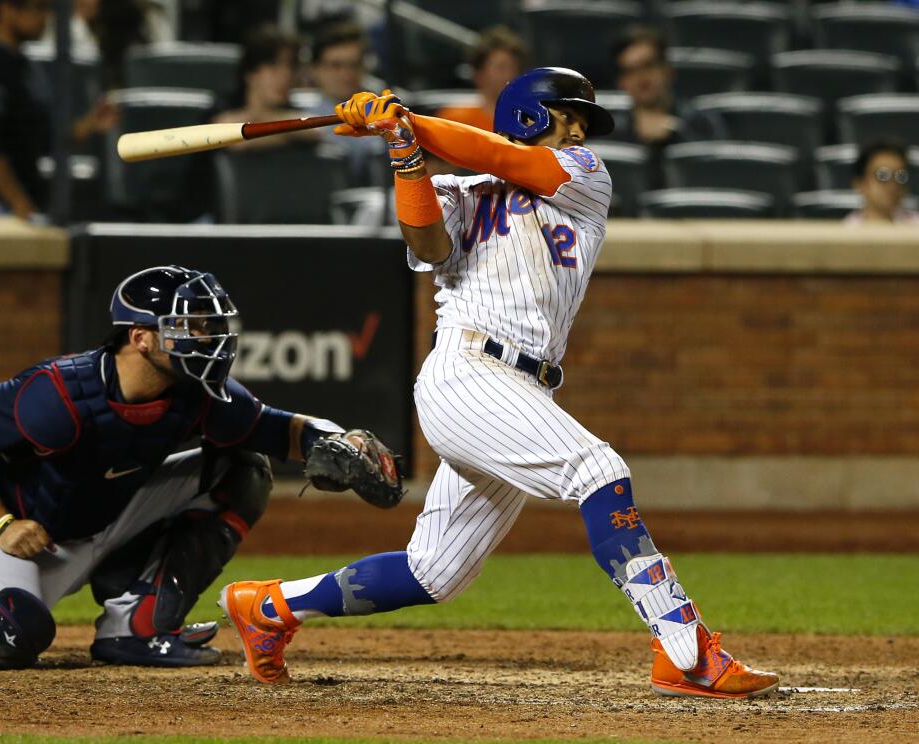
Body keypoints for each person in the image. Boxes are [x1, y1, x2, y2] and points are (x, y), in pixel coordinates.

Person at [219, 67, 781, 700]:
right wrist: (406, 153)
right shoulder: (458, 189)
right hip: (466, 373)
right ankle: (685, 651)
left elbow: (499, 154)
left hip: (522, 390)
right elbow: (428, 246)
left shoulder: (585, 177)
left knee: (435, 572)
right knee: (598, 469)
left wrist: (405, 122)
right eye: (569, 116)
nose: (579, 129)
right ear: (531, 115)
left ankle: (267, 608)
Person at [0, 266, 402, 670]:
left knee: (244, 468)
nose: (209, 339)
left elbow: (282, 430)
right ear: (140, 337)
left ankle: (136, 626)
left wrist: (336, 440)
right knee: (10, 634)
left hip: (109, 515)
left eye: (211, 326)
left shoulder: (198, 390)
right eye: (191, 328)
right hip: (22, 529)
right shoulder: (59, 393)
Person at [0, 0, 116, 220]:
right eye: (37, 8)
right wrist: (20, 203)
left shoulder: (21, 63)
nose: (45, 17)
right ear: (6, 9)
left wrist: (89, 124)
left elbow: (42, 138)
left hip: (13, 208)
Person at [608, 26, 722, 190]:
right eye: (630, 71)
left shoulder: (702, 124)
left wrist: (677, 134)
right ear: (620, 82)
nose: (641, 78)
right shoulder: (613, 132)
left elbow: (715, 179)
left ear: (667, 70)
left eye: (648, 66)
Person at [213, 25, 318, 151]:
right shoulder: (222, 106)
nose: (286, 76)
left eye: (291, 67)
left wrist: (260, 118)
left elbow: (315, 131)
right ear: (250, 73)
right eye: (273, 66)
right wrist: (287, 134)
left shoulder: (294, 110)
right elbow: (236, 140)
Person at [303, 21, 382, 186]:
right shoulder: (304, 120)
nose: (346, 74)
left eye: (354, 65)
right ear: (315, 69)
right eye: (335, 66)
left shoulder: (384, 112)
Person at [434, 26, 527, 132]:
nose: (509, 75)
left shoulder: (530, 122)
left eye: (514, 68)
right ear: (479, 74)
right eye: (501, 67)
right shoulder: (454, 120)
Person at [845, 139, 919, 225]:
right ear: (859, 184)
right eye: (882, 176)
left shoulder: (916, 227)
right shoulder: (843, 232)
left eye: (900, 176)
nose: (893, 185)